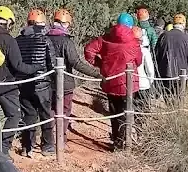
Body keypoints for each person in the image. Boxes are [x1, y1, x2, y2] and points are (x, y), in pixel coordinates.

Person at [84, 13, 142, 151]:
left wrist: (100, 64)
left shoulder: (105, 38)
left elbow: (88, 50)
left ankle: (116, 140)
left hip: (110, 81)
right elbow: (139, 61)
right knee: (126, 112)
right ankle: (124, 142)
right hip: (128, 83)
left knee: (114, 112)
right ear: (130, 25)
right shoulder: (134, 42)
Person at [47, 9, 100, 137]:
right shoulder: (66, 41)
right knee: (64, 111)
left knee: (50, 110)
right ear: (66, 24)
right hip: (65, 83)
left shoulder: (45, 38)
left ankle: (47, 139)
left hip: (47, 82)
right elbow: (76, 63)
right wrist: (96, 74)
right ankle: (60, 139)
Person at [0, 6, 33, 155]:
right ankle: (3, 148)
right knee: (14, 116)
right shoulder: (9, 40)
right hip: (7, 85)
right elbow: (18, 65)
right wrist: (36, 68)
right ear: (8, 22)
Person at [16, 9, 56, 157]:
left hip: (24, 82)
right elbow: (51, 62)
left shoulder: (17, 40)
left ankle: (28, 146)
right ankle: (47, 146)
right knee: (45, 115)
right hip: (42, 82)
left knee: (28, 115)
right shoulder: (45, 40)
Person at [154, 12, 188, 104]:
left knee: (167, 97)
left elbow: (156, 54)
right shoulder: (186, 38)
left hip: (164, 72)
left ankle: (169, 111)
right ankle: (176, 113)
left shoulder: (163, 36)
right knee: (178, 97)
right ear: (183, 24)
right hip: (180, 74)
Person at [132, 25, 156, 111]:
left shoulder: (127, 49)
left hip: (130, 84)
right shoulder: (145, 51)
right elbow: (150, 70)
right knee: (143, 109)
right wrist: (150, 82)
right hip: (143, 84)